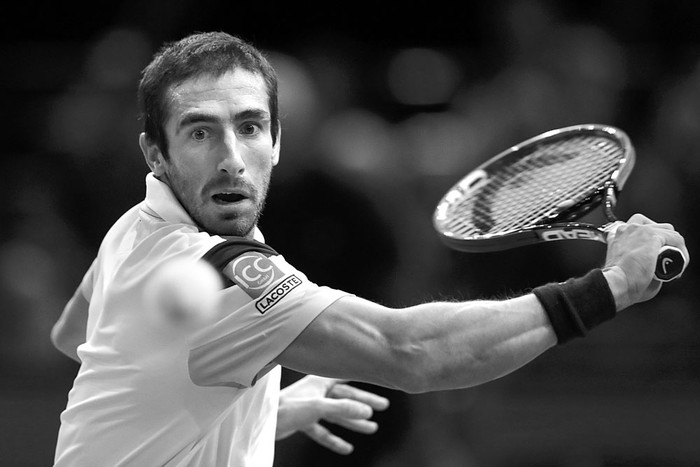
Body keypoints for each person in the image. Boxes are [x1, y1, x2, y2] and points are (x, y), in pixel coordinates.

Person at [51, 31, 689, 466]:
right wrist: (613, 287)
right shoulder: (215, 271)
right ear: (154, 153)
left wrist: (257, 404)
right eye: (199, 133)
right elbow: (413, 351)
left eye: (249, 128)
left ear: (277, 141)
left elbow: (76, 335)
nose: (230, 158)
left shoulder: (133, 228)